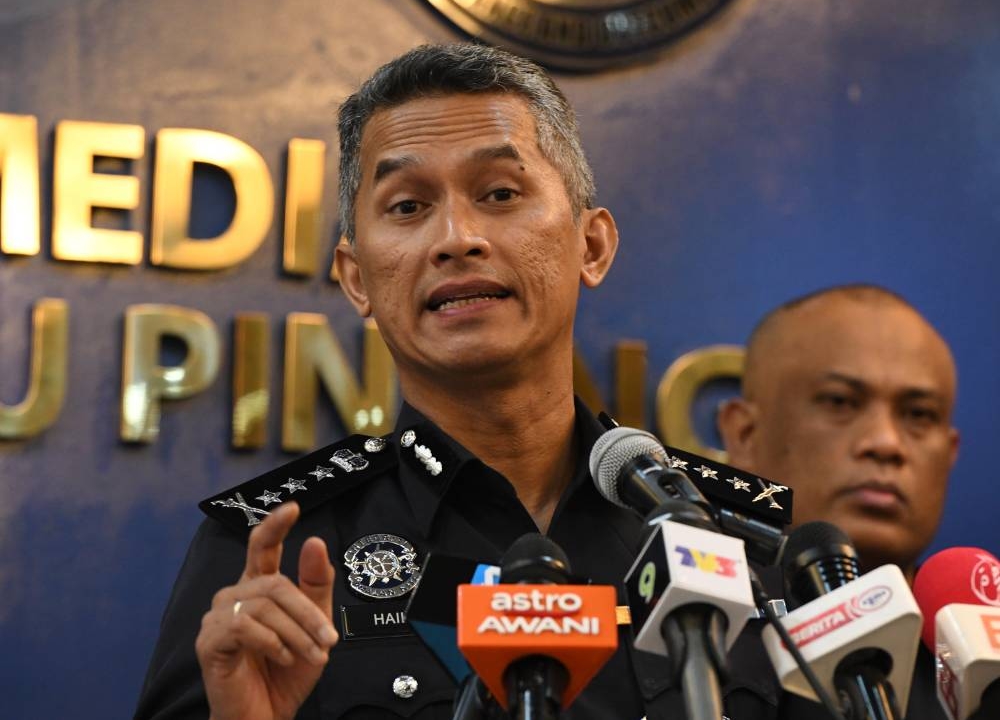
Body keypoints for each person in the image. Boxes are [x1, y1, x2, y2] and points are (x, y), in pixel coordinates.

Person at [134, 43, 780, 720]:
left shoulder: (727, 539)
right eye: (409, 206)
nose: (456, 237)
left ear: (591, 246)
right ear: (357, 279)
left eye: (500, 193)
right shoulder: (277, 554)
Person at [718, 284, 960, 719]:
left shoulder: (978, 666)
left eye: (919, 414)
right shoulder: (691, 637)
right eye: (840, 402)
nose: (886, 443)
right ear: (745, 435)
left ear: (950, 453)